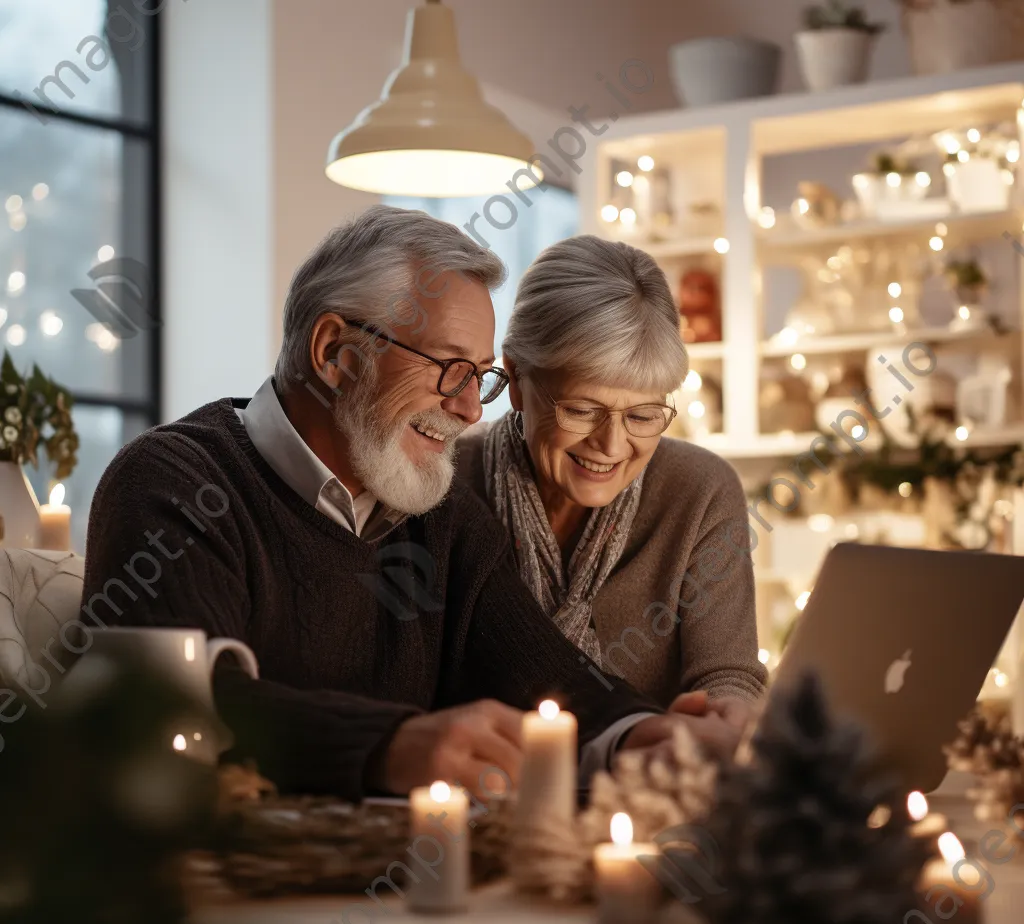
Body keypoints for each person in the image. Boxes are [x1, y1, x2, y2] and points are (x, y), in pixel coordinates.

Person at [80, 207, 691, 803]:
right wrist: (389, 745)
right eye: (451, 369)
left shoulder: (441, 515)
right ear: (334, 353)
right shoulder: (171, 483)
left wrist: (647, 735)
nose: (471, 410)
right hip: (216, 893)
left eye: (481, 377)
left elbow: (544, 675)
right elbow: (178, 708)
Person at [457, 236, 766, 750]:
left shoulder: (699, 491)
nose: (612, 445)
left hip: (643, 797)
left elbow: (728, 672)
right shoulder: (446, 482)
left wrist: (724, 715)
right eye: (581, 410)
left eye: (644, 415)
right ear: (515, 377)